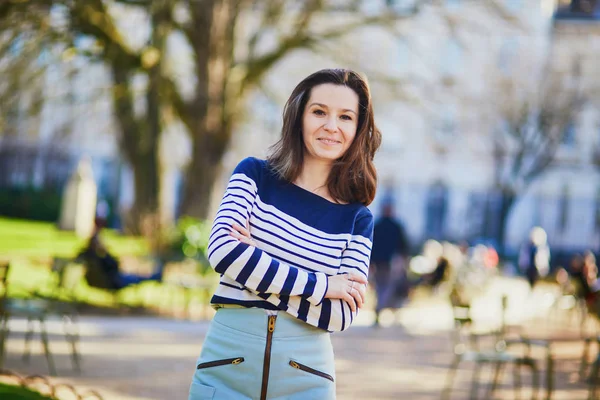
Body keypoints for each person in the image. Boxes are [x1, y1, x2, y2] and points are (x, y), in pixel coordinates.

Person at [188, 68, 381, 400]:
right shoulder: (254, 175)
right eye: (319, 111)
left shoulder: (357, 219)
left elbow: (339, 314)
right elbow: (222, 252)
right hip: (227, 365)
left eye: (345, 117)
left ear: (358, 128)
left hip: (307, 377)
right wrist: (323, 285)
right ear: (299, 117)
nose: (331, 126)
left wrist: (253, 267)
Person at [76, 219, 164, 290]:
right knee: (138, 278)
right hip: (114, 282)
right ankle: (157, 276)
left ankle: (156, 275)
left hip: (110, 279)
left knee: (136, 275)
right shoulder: (99, 257)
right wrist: (106, 252)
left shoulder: (88, 255)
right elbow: (114, 265)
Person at [369, 202, 410, 326]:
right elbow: (403, 245)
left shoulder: (377, 225)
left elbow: (371, 244)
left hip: (379, 262)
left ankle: (379, 307)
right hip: (390, 262)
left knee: (380, 287)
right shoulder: (396, 226)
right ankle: (380, 307)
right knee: (387, 286)